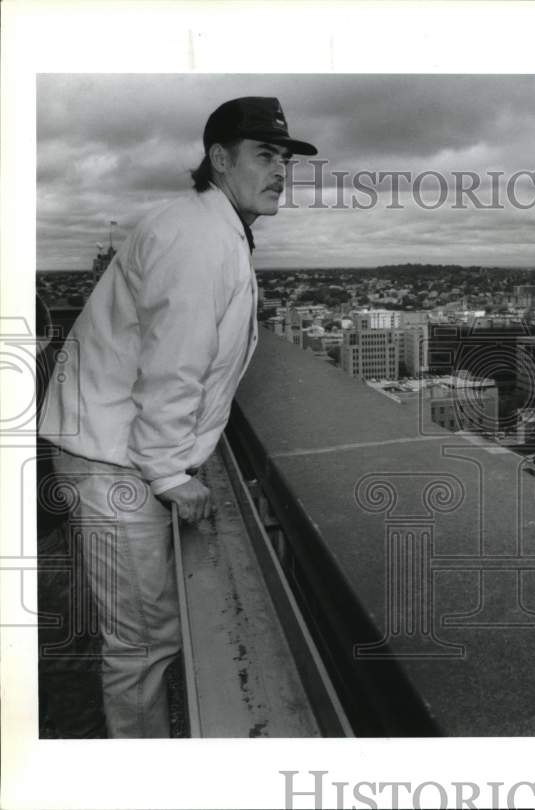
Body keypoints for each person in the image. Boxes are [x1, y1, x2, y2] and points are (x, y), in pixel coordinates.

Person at [37, 97, 317, 738]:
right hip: (113, 462)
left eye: (285, 159)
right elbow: (174, 365)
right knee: (140, 644)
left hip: (116, 449)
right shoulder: (197, 238)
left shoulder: (211, 229)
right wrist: (169, 472)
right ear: (219, 159)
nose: (281, 172)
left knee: (149, 633)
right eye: (265, 155)